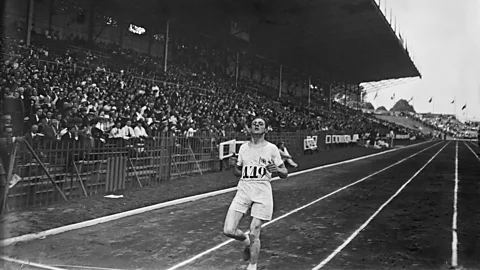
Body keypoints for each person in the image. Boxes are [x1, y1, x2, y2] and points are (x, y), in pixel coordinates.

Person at [223, 117, 288, 270]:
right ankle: (245, 242)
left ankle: (253, 265)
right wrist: (233, 166)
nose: (257, 125)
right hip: (244, 189)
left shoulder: (271, 148)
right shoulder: (244, 148)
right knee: (228, 230)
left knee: (254, 231)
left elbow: (285, 172)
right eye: (254, 124)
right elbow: (238, 172)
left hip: (262, 190)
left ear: (265, 130)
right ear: (250, 129)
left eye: (260, 124)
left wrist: (277, 170)